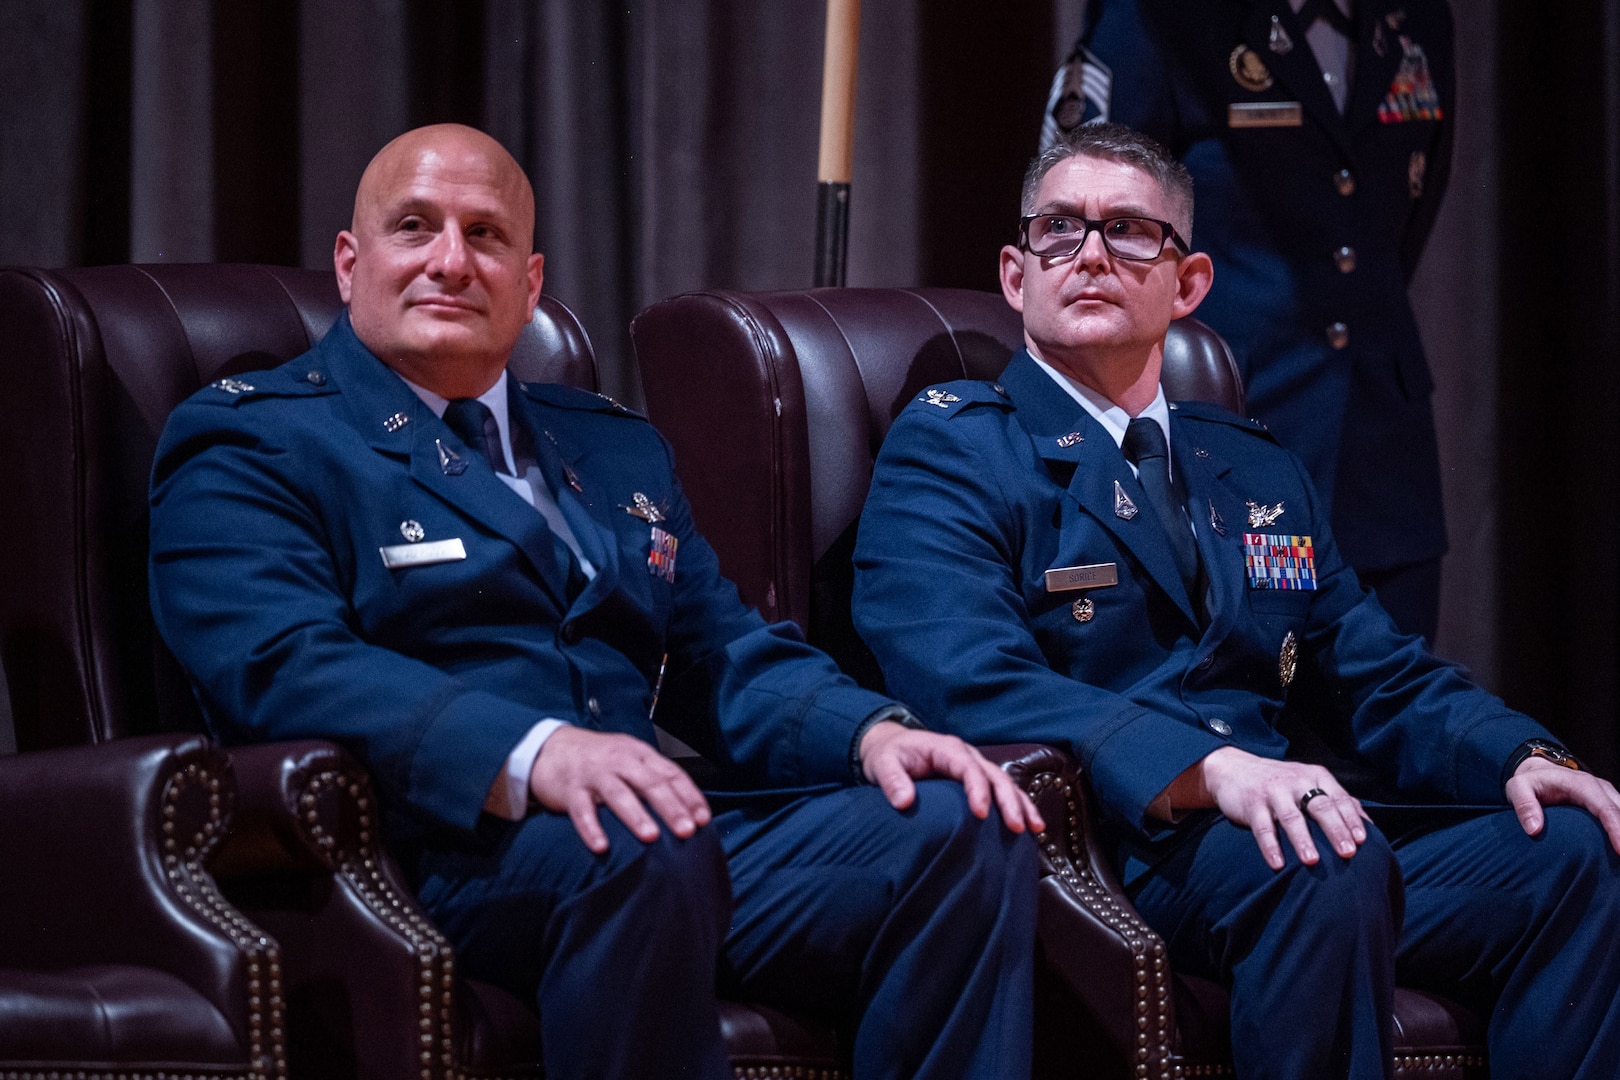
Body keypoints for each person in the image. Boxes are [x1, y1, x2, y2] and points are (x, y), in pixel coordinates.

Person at [148, 123, 1041, 1080]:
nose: (451, 261)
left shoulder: (610, 448)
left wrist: (873, 735)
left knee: (964, 827)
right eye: (416, 227)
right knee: (640, 838)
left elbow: (722, 655)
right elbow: (283, 666)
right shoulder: (256, 441)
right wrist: (534, 755)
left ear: (530, 285)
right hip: (434, 847)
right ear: (349, 261)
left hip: (645, 840)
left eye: (486, 236)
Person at [853, 122, 1620, 1079]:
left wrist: (1523, 752)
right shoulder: (956, 449)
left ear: (1189, 284)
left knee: (1571, 855)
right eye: (1059, 229)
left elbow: (1373, 671)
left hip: (1272, 835)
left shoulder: (1250, 463)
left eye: (1130, 230)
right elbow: (966, 685)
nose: (1089, 252)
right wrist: (1206, 769)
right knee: (1321, 862)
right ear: (1017, 275)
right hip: (1106, 845)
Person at [1042, 0, 1454, 640]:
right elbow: (1076, 209)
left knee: (1398, 705)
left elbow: (1406, 218)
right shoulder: (1160, 20)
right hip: (1236, 436)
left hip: (1383, 456)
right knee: (1259, 704)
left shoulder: (1415, 18)